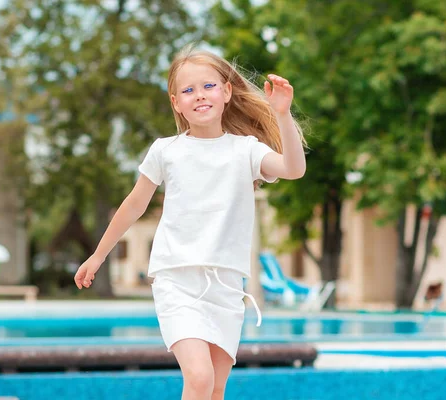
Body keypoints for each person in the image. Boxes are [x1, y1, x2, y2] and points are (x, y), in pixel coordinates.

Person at [73, 43, 306, 400]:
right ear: (175, 102)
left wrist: (283, 115)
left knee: (215, 388)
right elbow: (134, 205)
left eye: (209, 86)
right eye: (188, 90)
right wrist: (98, 255)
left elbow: (293, 169)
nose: (200, 95)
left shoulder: (246, 150)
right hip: (177, 280)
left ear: (227, 92)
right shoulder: (165, 151)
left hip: (227, 284)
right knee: (198, 378)